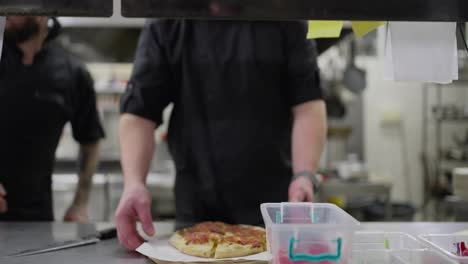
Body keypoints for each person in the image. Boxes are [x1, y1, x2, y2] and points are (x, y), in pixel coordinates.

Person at [115, 20, 327, 250]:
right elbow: (140, 111)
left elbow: (308, 106)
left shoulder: (285, 16)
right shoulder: (168, 18)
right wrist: (134, 183)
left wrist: (304, 175)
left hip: (274, 206)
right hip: (195, 208)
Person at [0, 16, 105, 222]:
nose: (7, 15)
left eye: (15, 8)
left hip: (38, 218)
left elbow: (90, 140)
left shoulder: (72, 72)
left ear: (42, 13)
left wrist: (80, 204)